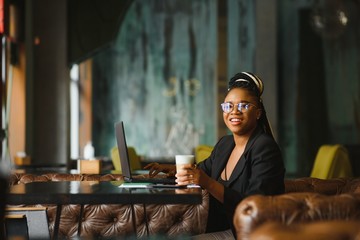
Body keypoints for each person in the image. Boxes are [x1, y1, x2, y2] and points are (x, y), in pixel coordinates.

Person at [145, 72, 285, 237]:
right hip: (217, 226)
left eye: (243, 106)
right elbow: (202, 169)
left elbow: (253, 207)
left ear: (258, 113)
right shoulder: (225, 144)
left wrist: (207, 183)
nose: (234, 112)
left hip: (249, 233)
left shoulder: (264, 148)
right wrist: (173, 169)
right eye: (228, 106)